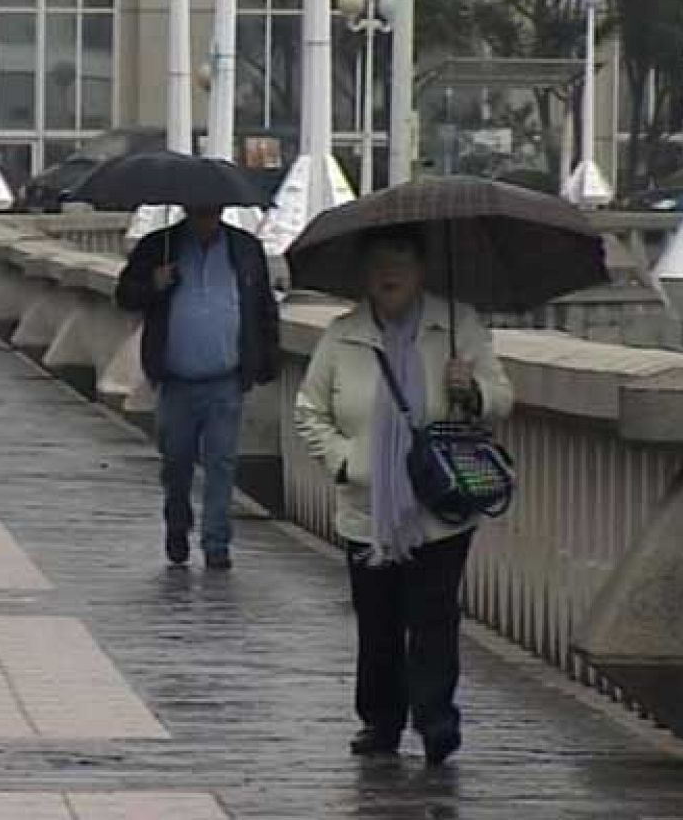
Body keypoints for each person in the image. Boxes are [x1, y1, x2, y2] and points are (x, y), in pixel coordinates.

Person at [293, 227, 513, 766]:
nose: (389, 275)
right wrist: (346, 460)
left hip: (438, 508)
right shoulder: (343, 335)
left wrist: (473, 389)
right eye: (378, 265)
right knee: (379, 621)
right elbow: (309, 410)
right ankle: (380, 721)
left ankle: (437, 720)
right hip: (366, 511)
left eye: (401, 263)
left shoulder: (457, 328)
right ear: (365, 276)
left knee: (434, 617)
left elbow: (502, 396)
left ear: (421, 272)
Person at [114, 205, 280, 571]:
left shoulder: (245, 248)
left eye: (213, 209)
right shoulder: (161, 246)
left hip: (226, 378)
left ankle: (216, 543)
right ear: (188, 208)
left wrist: (266, 359)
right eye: (200, 209)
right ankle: (177, 521)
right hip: (176, 380)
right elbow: (125, 295)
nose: (207, 215)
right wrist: (152, 285)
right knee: (177, 463)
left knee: (221, 463)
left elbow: (263, 306)